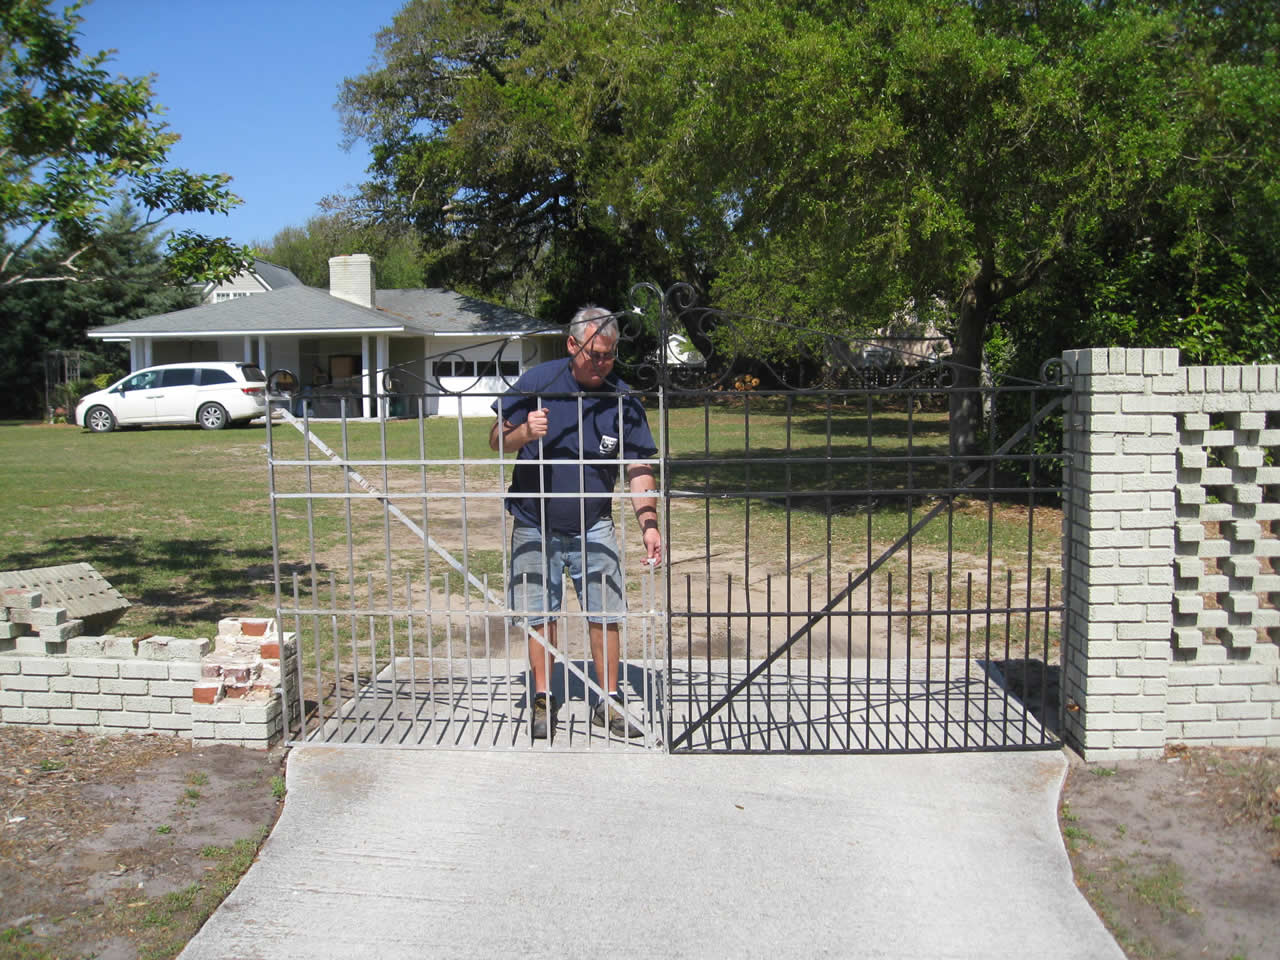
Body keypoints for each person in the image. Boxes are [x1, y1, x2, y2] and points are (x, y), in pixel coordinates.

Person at [490, 305, 663, 741]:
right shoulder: (539, 382)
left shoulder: (622, 398)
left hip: (594, 526)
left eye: (609, 354)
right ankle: (543, 698)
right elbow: (495, 439)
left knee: (606, 614)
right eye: (595, 354)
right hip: (534, 522)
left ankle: (607, 700)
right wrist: (523, 434)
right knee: (539, 612)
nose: (603, 363)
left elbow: (639, 466)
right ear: (573, 344)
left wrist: (649, 524)